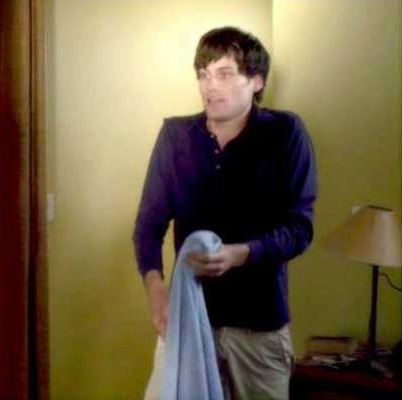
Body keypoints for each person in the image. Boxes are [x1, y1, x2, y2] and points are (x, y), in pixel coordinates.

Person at [134, 26, 317, 400]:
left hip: (258, 330)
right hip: (186, 319)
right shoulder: (176, 136)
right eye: (203, 74)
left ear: (256, 81)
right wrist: (155, 288)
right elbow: (148, 224)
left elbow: (299, 228)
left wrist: (241, 253)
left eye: (224, 74)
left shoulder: (286, 133)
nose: (210, 86)